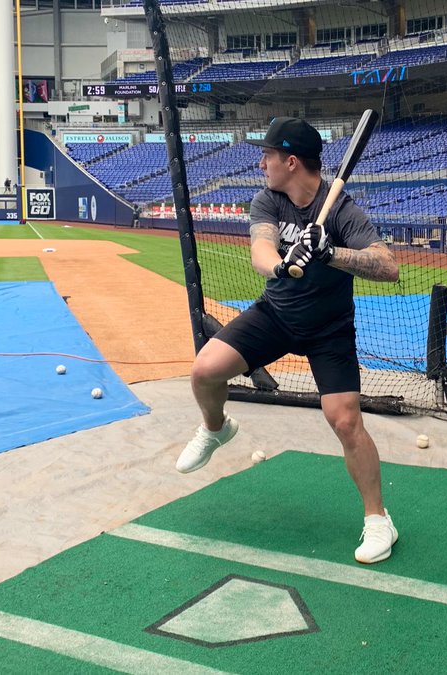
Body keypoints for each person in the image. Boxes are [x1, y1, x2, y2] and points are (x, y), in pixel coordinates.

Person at [177, 116, 402, 564]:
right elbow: (261, 249)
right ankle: (217, 428)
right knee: (204, 370)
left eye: (268, 156)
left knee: (344, 420)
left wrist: (329, 251)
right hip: (275, 315)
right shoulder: (269, 201)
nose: (262, 164)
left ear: (291, 161)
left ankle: (379, 520)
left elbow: (388, 265)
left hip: (328, 329)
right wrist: (280, 264)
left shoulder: (341, 211)